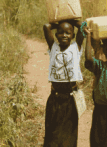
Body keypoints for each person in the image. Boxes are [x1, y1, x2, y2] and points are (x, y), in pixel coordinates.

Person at [42, 19, 87, 147]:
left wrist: (72, 20)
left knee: (69, 135)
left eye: (68, 33)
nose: (64, 35)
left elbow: (83, 26)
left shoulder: (76, 47)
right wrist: (61, 21)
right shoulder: (53, 47)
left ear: (73, 35)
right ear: (56, 35)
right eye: (60, 32)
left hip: (70, 98)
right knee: (52, 133)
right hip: (55, 98)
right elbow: (46, 26)